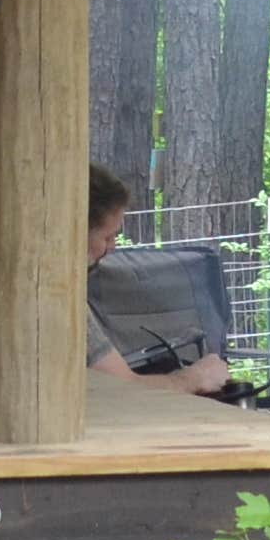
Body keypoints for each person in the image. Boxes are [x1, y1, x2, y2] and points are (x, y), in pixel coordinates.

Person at [85, 164, 240, 396]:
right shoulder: (54, 299)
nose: (112, 247)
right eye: (107, 237)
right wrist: (191, 379)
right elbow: (122, 389)